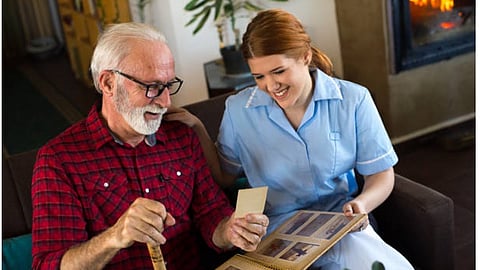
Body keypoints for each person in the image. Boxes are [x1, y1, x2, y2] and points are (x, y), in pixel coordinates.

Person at [171, 9, 414, 270]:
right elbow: (225, 177)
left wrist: (361, 204)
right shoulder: (238, 110)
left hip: (342, 223)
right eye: (259, 76)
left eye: (278, 71)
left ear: (305, 57)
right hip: (279, 233)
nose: (270, 86)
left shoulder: (354, 100)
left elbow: (381, 175)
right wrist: (196, 127)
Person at [31, 22, 269, 270]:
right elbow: (49, 265)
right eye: (152, 87)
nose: (166, 102)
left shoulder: (181, 137)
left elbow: (211, 212)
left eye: (168, 86)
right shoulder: (58, 160)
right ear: (108, 83)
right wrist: (115, 237)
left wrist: (229, 231)